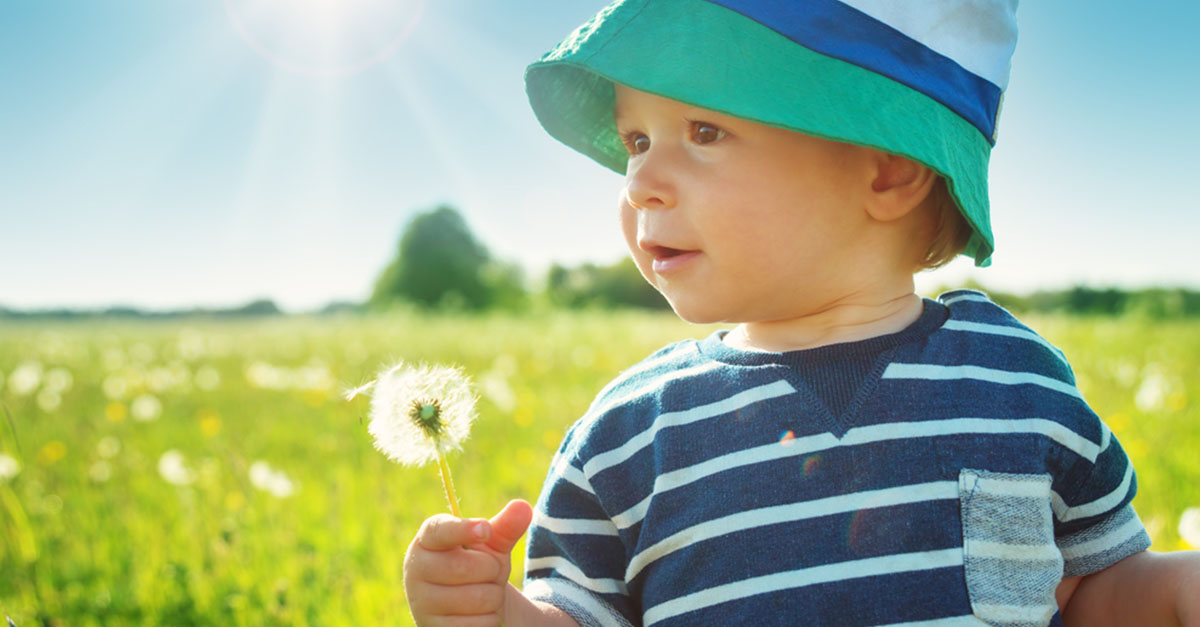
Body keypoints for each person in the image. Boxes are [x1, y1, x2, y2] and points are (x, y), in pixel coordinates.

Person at [402, 1, 1200, 625]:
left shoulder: (1017, 381)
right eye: (636, 140)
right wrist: (499, 613)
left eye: (704, 130)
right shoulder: (627, 435)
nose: (639, 181)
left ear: (888, 166)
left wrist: (1174, 588)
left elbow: (1092, 593)